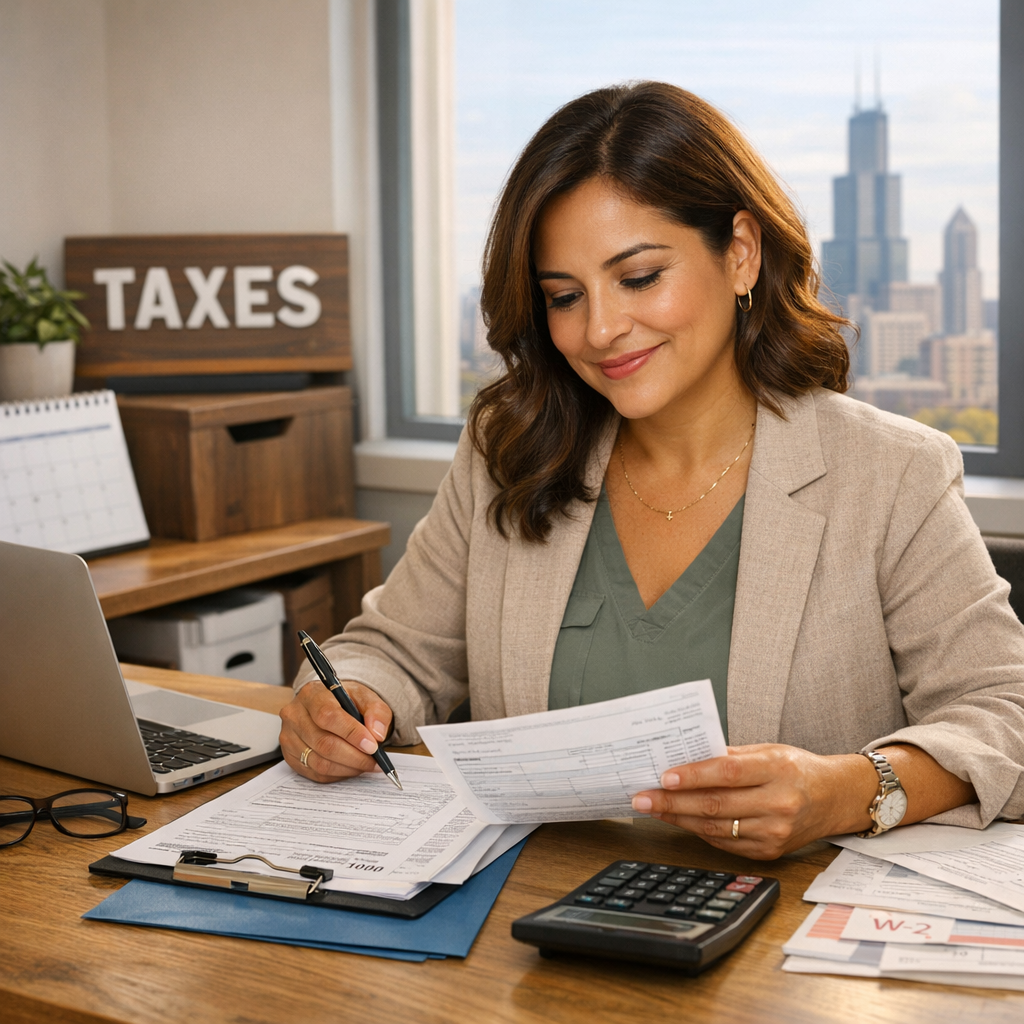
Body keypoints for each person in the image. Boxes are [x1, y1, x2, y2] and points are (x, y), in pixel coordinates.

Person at [279, 81, 1024, 860]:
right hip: (526, 935)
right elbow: (391, 652)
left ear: (740, 253)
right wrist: (341, 703)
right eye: (565, 296)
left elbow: (1003, 710)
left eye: (638, 278)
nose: (600, 329)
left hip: (786, 950)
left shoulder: (890, 473)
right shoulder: (509, 451)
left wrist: (849, 790)